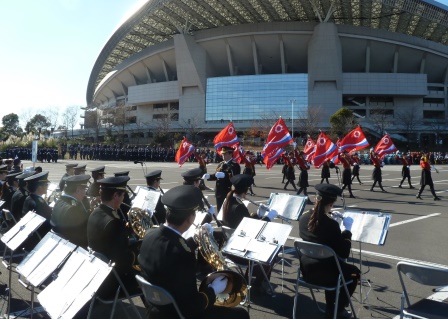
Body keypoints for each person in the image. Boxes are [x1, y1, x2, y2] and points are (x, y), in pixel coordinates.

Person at [138, 185, 250, 319]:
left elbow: (168, 250)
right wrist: (213, 289)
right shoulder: (183, 254)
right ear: (191, 218)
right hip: (177, 314)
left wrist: (195, 240)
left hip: (155, 309)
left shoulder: (150, 234)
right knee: (241, 314)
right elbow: (192, 305)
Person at [298, 184, 360, 319]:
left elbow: (319, 235)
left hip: (307, 270)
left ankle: (331, 307)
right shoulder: (331, 225)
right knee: (355, 273)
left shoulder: (303, 218)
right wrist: (347, 231)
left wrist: (335, 224)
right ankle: (337, 308)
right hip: (328, 274)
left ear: (316, 199)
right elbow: (344, 253)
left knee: (332, 265)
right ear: (331, 203)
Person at [221, 174, 278, 294]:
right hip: (241, 253)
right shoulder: (240, 207)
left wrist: (259, 214)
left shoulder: (228, 202)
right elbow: (254, 230)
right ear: (246, 191)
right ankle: (258, 285)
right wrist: (268, 218)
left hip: (230, 248)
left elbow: (245, 222)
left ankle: (248, 278)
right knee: (273, 251)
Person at [87, 176, 141, 298]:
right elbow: (124, 260)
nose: (123, 199)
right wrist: (139, 247)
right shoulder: (113, 222)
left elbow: (110, 240)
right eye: (122, 195)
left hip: (99, 274)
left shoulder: (95, 213)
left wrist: (126, 230)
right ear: (115, 196)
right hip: (113, 282)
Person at [51, 175, 91, 248]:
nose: (85, 193)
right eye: (84, 189)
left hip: (60, 243)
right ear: (78, 190)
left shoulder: (59, 201)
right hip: (73, 247)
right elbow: (83, 234)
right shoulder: (74, 209)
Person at [204, 146, 240, 212]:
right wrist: (209, 176)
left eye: (225, 154)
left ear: (230, 154)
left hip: (227, 191)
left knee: (226, 211)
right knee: (219, 210)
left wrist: (225, 175)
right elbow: (216, 175)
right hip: (219, 191)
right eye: (222, 154)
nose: (223, 155)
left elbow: (235, 178)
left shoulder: (234, 165)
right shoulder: (221, 164)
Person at [22, 171, 53, 238]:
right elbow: (46, 222)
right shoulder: (36, 203)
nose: (47, 186)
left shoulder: (30, 198)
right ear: (39, 187)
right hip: (41, 236)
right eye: (46, 184)